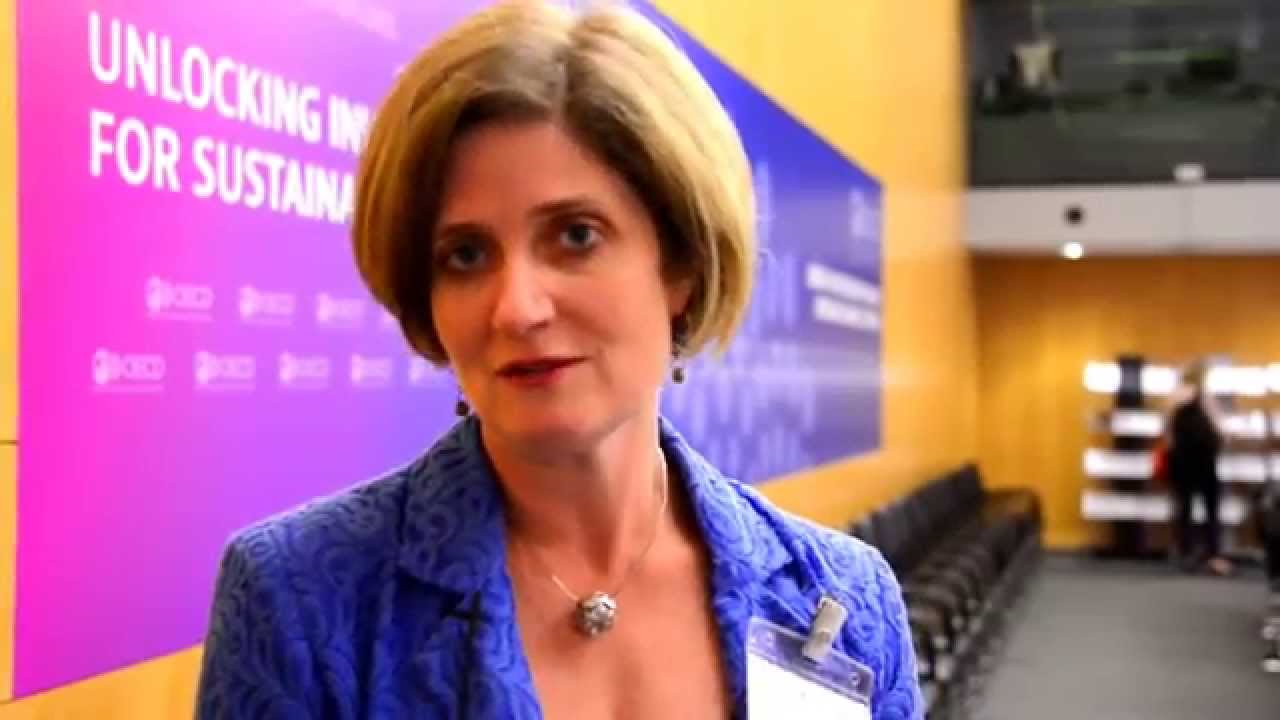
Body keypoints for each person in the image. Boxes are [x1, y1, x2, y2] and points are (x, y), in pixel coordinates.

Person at [194, 2, 920, 718]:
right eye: (466, 255)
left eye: (575, 236)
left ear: (681, 265)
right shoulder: (301, 600)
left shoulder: (842, 604)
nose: (516, 307)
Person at [1167, 364, 1232, 577]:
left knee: (1184, 509)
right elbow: (1219, 427)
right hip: (1205, 460)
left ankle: (1186, 553)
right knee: (1211, 509)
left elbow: (1168, 432)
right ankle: (1213, 555)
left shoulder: (1175, 397)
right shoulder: (1205, 397)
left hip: (1182, 461)